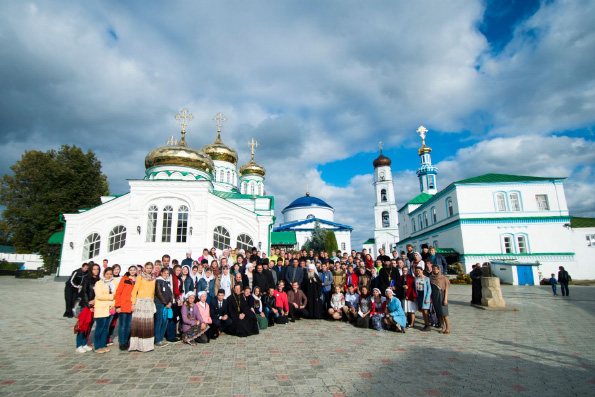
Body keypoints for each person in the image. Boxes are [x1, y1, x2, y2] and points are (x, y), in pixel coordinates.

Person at [128, 262, 156, 352]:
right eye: (147, 268)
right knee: (139, 324)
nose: (149, 270)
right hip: (140, 301)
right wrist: (133, 303)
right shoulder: (140, 277)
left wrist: (152, 303)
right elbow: (134, 290)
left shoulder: (153, 278)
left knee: (148, 324)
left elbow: (153, 291)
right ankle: (137, 345)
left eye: (150, 268)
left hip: (149, 301)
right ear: (144, 268)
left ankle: (147, 345)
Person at [75, 263, 100, 353]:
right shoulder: (87, 279)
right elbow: (84, 293)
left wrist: (95, 300)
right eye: (94, 269)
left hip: (95, 305)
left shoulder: (98, 280)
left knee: (89, 325)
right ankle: (78, 345)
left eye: (97, 269)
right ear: (91, 270)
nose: (96, 271)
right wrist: (88, 304)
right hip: (86, 306)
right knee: (83, 325)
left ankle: (85, 343)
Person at [93, 267, 116, 353]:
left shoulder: (113, 283)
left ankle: (103, 344)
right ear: (104, 274)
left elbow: (116, 294)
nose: (109, 276)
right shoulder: (99, 283)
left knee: (106, 328)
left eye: (110, 274)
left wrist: (114, 304)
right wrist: (111, 296)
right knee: (100, 327)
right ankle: (97, 346)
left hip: (110, 308)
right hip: (102, 308)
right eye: (107, 274)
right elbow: (99, 296)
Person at [114, 265, 137, 350]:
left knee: (129, 325)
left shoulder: (137, 280)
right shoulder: (124, 279)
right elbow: (118, 292)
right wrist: (118, 305)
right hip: (123, 305)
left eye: (134, 270)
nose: (132, 271)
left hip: (132, 306)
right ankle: (122, 342)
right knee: (122, 325)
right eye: (131, 270)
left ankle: (126, 341)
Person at [154, 267, 173, 347]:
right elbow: (159, 293)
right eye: (164, 273)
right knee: (159, 321)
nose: (166, 274)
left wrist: (170, 302)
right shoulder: (159, 281)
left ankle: (161, 338)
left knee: (165, 321)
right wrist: (166, 302)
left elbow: (170, 293)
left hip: (166, 304)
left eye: (167, 273)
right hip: (159, 303)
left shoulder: (166, 281)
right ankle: (157, 339)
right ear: (161, 273)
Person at [430, 264, 451, 334]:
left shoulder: (444, 278)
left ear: (439, 270)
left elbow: (446, 289)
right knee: (438, 313)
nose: (435, 270)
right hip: (434, 296)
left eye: (437, 269)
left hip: (441, 295)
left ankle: (448, 328)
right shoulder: (431, 278)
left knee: (444, 313)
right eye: (434, 269)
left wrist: (445, 299)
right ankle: (443, 327)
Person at [415, 266, 432, 331]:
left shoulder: (426, 279)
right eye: (417, 271)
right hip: (419, 295)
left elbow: (429, 289)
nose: (418, 272)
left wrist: (427, 298)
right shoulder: (416, 279)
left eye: (419, 271)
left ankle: (428, 324)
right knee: (422, 310)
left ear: (422, 271)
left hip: (424, 295)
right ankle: (425, 324)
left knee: (425, 311)